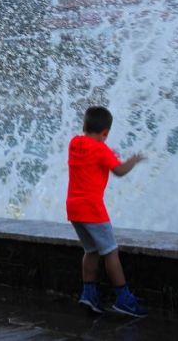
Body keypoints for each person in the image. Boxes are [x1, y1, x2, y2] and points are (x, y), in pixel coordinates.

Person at [66, 106, 147, 317]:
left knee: (90, 250)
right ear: (105, 133)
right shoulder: (102, 150)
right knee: (110, 252)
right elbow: (119, 171)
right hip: (92, 210)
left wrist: (107, 153)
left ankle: (89, 294)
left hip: (74, 209)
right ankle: (124, 299)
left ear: (84, 126)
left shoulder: (75, 143)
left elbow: (93, 159)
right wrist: (132, 161)